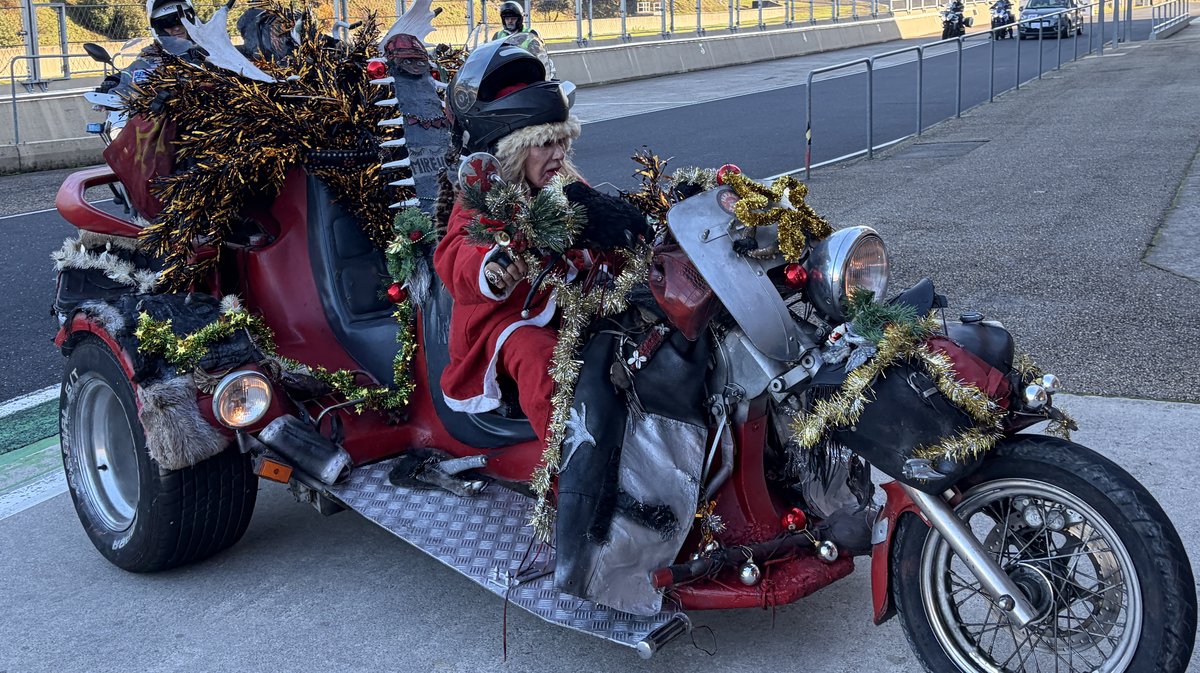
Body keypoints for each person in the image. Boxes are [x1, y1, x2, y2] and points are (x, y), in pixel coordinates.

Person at [434, 41, 645, 442]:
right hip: (509, 321)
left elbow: (598, 228)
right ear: (510, 152)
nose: (559, 153)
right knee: (539, 359)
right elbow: (456, 254)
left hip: (574, 307)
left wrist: (630, 237)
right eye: (545, 143)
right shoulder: (485, 197)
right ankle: (569, 470)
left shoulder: (564, 184)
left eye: (562, 140)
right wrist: (493, 266)